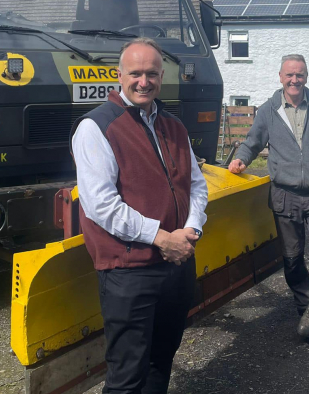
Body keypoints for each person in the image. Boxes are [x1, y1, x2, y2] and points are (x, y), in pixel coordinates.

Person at [71, 38, 208, 393]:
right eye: (135, 74)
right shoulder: (96, 127)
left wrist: (191, 229)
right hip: (129, 272)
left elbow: (196, 184)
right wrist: (162, 238)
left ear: (162, 76)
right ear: (119, 75)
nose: (143, 81)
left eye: (151, 74)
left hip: (176, 264)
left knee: (162, 360)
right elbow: (101, 204)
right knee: (127, 374)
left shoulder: (173, 126)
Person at [228, 54, 309, 343]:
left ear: (307, 76)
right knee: (292, 260)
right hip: (284, 195)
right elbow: (252, 142)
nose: (295, 80)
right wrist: (241, 159)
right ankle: (304, 309)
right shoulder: (269, 110)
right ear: (280, 76)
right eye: (290, 75)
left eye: (300, 75)